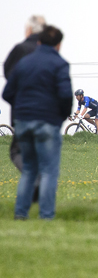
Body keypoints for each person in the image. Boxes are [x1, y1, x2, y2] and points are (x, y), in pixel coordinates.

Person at [2, 25, 72, 220]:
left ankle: (20, 214)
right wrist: (61, 117)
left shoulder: (24, 63)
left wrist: (22, 109)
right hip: (48, 121)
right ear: (58, 45)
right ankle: (46, 216)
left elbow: (7, 93)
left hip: (23, 122)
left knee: (29, 170)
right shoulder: (60, 64)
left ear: (38, 41)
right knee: (49, 171)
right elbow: (66, 96)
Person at [3, 15, 46, 174]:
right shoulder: (49, 52)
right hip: (46, 113)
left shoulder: (21, 49)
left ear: (28, 30)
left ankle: (35, 181)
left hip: (24, 111)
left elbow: (9, 75)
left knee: (18, 151)